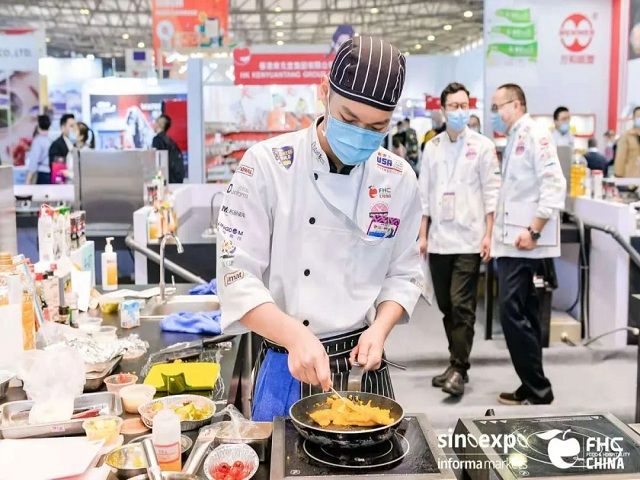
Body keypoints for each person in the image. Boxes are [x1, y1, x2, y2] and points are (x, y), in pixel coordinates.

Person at [216, 36, 422, 421]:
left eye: (376, 126)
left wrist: (380, 329)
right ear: (323, 92)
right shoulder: (267, 165)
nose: (361, 134)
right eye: (348, 119)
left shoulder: (398, 179)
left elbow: (405, 274)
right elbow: (236, 275)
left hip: (365, 367)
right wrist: (295, 336)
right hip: (286, 361)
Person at [418, 82, 501, 397]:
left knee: (462, 305)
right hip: (439, 240)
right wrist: (423, 234)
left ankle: (459, 368)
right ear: (443, 110)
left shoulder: (482, 146)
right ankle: (455, 363)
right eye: (453, 106)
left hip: (469, 239)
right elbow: (424, 192)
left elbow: (492, 194)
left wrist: (489, 234)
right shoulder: (432, 147)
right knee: (446, 306)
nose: (459, 111)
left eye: (463, 104)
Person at [490, 84, 566, 405]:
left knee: (511, 311)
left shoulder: (535, 133)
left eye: (498, 106)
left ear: (516, 104)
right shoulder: (516, 136)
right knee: (526, 311)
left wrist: (534, 231)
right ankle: (532, 384)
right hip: (511, 242)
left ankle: (537, 387)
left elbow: (554, 183)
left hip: (524, 243)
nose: (495, 114)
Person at [152, 114, 185, 184]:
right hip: (174, 178)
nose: (154, 124)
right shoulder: (170, 141)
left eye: (156, 122)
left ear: (159, 124)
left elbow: (158, 162)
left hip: (166, 179)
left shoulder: (157, 140)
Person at [48, 113, 77, 183]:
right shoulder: (56, 145)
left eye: (75, 126)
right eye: (71, 126)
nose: (74, 129)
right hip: (63, 183)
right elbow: (56, 168)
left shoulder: (76, 144)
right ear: (63, 128)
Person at [613, 107, 640, 177]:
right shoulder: (626, 136)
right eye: (638, 116)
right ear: (633, 119)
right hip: (631, 179)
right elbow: (620, 158)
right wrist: (618, 176)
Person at [26, 115, 52, 184]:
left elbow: (34, 160)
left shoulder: (37, 141)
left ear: (38, 126)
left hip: (41, 174)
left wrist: (28, 178)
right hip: (50, 173)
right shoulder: (51, 140)